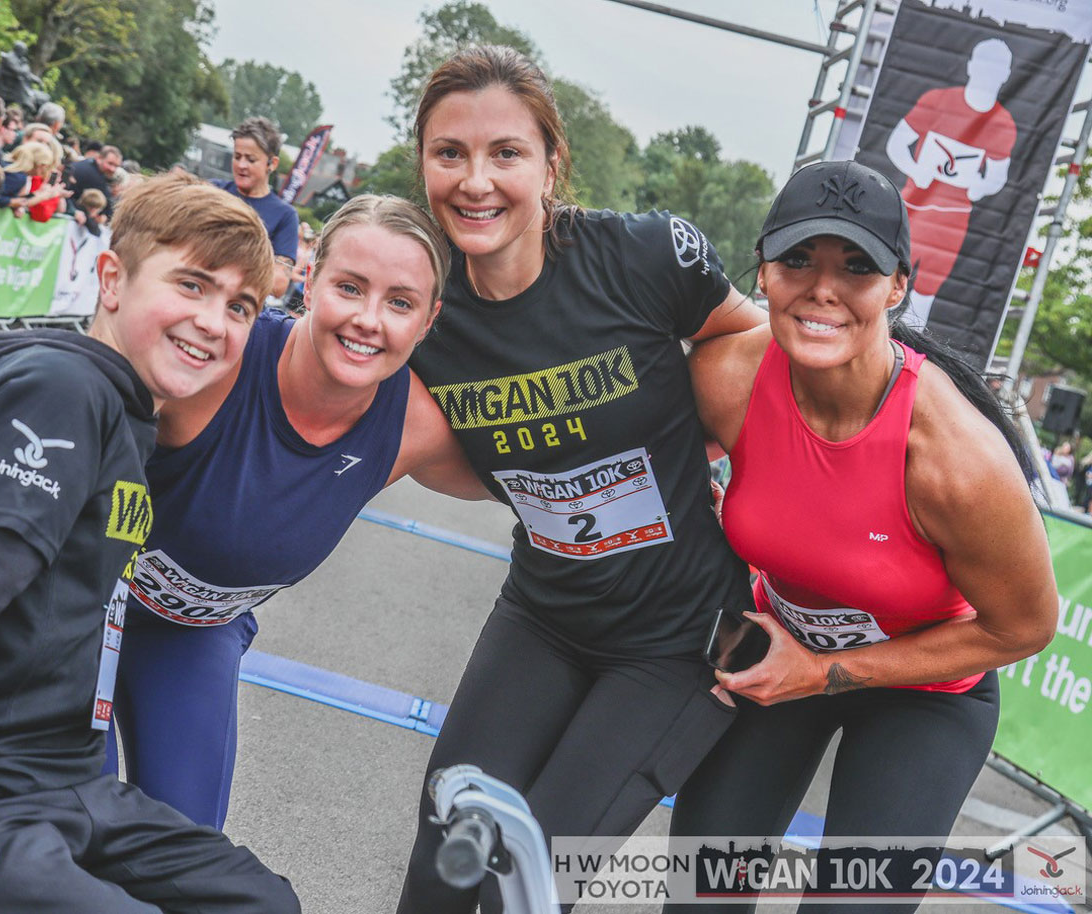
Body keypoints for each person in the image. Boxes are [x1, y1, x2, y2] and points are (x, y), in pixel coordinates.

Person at [0, 194, 489, 833]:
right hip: (81, 608)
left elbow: (541, 486)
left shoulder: (415, 426)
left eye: (400, 303)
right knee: (62, 826)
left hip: (193, 634)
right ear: (309, 278)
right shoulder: (219, 361)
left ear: (430, 319)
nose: (368, 320)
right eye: (350, 287)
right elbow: (26, 404)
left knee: (184, 847)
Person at [0, 173, 300, 913]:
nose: (215, 321)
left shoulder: (122, 406)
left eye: (240, 306)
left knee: (263, 902)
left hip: (57, 781)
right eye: (192, 285)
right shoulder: (60, 390)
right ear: (111, 279)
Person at [394, 45, 765, 914]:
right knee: (442, 868)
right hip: (544, 615)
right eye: (450, 153)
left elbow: (749, 349)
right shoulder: (427, 303)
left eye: (506, 154)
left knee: (525, 887)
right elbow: (442, 458)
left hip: (675, 642)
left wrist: (720, 459)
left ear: (552, 163)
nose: (475, 181)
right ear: (424, 162)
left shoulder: (640, 257)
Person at [671, 159, 1058, 912]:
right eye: (797, 260)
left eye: (857, 266)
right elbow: (653, 479)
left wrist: (821, 674)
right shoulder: (727, 377)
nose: (822, 288)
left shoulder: (957, 462)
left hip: (927, 692)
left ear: (897, 286)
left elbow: (1025, 627)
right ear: (764, 271)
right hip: (779, 648)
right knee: (702, 891)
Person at [884, 37, 1016, 330]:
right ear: (970, 66)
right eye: (984, 66)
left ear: (1006, 76)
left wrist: (976, 187)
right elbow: (896, 143)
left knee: (925, 294)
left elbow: (997, 178)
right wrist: (916, 170)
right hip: (912, 211)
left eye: (996, 70)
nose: (989, 75)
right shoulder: (938, 100)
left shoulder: (1003, 123)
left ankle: (905, 356)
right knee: (884, 280)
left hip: (952, 220)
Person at [213, 116, 297, 298]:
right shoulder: (212, 191)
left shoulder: (285, 215)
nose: (241, 165)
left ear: (272, 164)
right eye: (237, 157)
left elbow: (279, 283)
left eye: (251, 160)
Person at [69, 144, 120, 219]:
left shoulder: (87, 165)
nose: (112, 169)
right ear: (99, 159)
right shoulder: (93, 176)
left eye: (116, 166)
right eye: (110, 163)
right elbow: (108, 209)